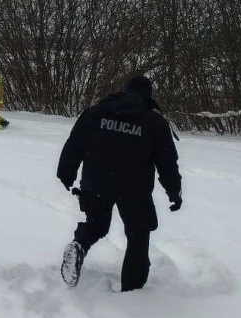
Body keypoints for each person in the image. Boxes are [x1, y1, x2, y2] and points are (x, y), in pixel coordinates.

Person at [56, 76, 182, 291]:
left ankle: (79, 245)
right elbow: (167, 162)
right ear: (148, 96)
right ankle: (132, 293)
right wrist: (174, 191)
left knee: (96, 225)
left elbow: (74, 144)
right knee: (138, 236)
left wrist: (66, 173)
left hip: (95, 184)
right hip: (135, 190)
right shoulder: (154, 123)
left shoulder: (96, 112)